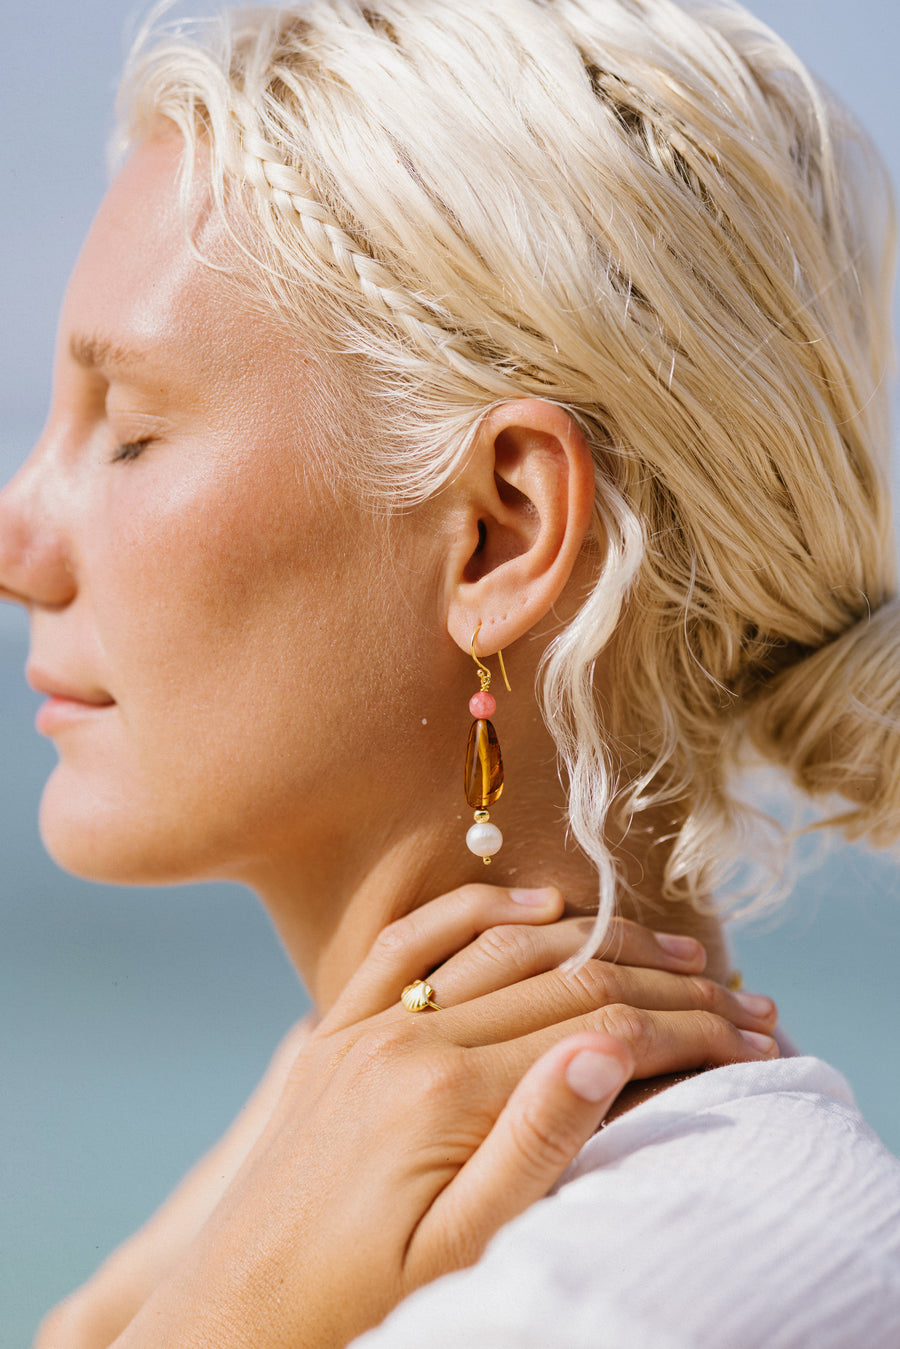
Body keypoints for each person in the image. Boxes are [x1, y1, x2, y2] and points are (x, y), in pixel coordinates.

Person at [3, 0, 900, 1344]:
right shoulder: (341, 1191)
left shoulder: (633, 1297)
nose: (19, 539)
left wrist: (219, 1317)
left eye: (129, 433)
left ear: (501, 531)